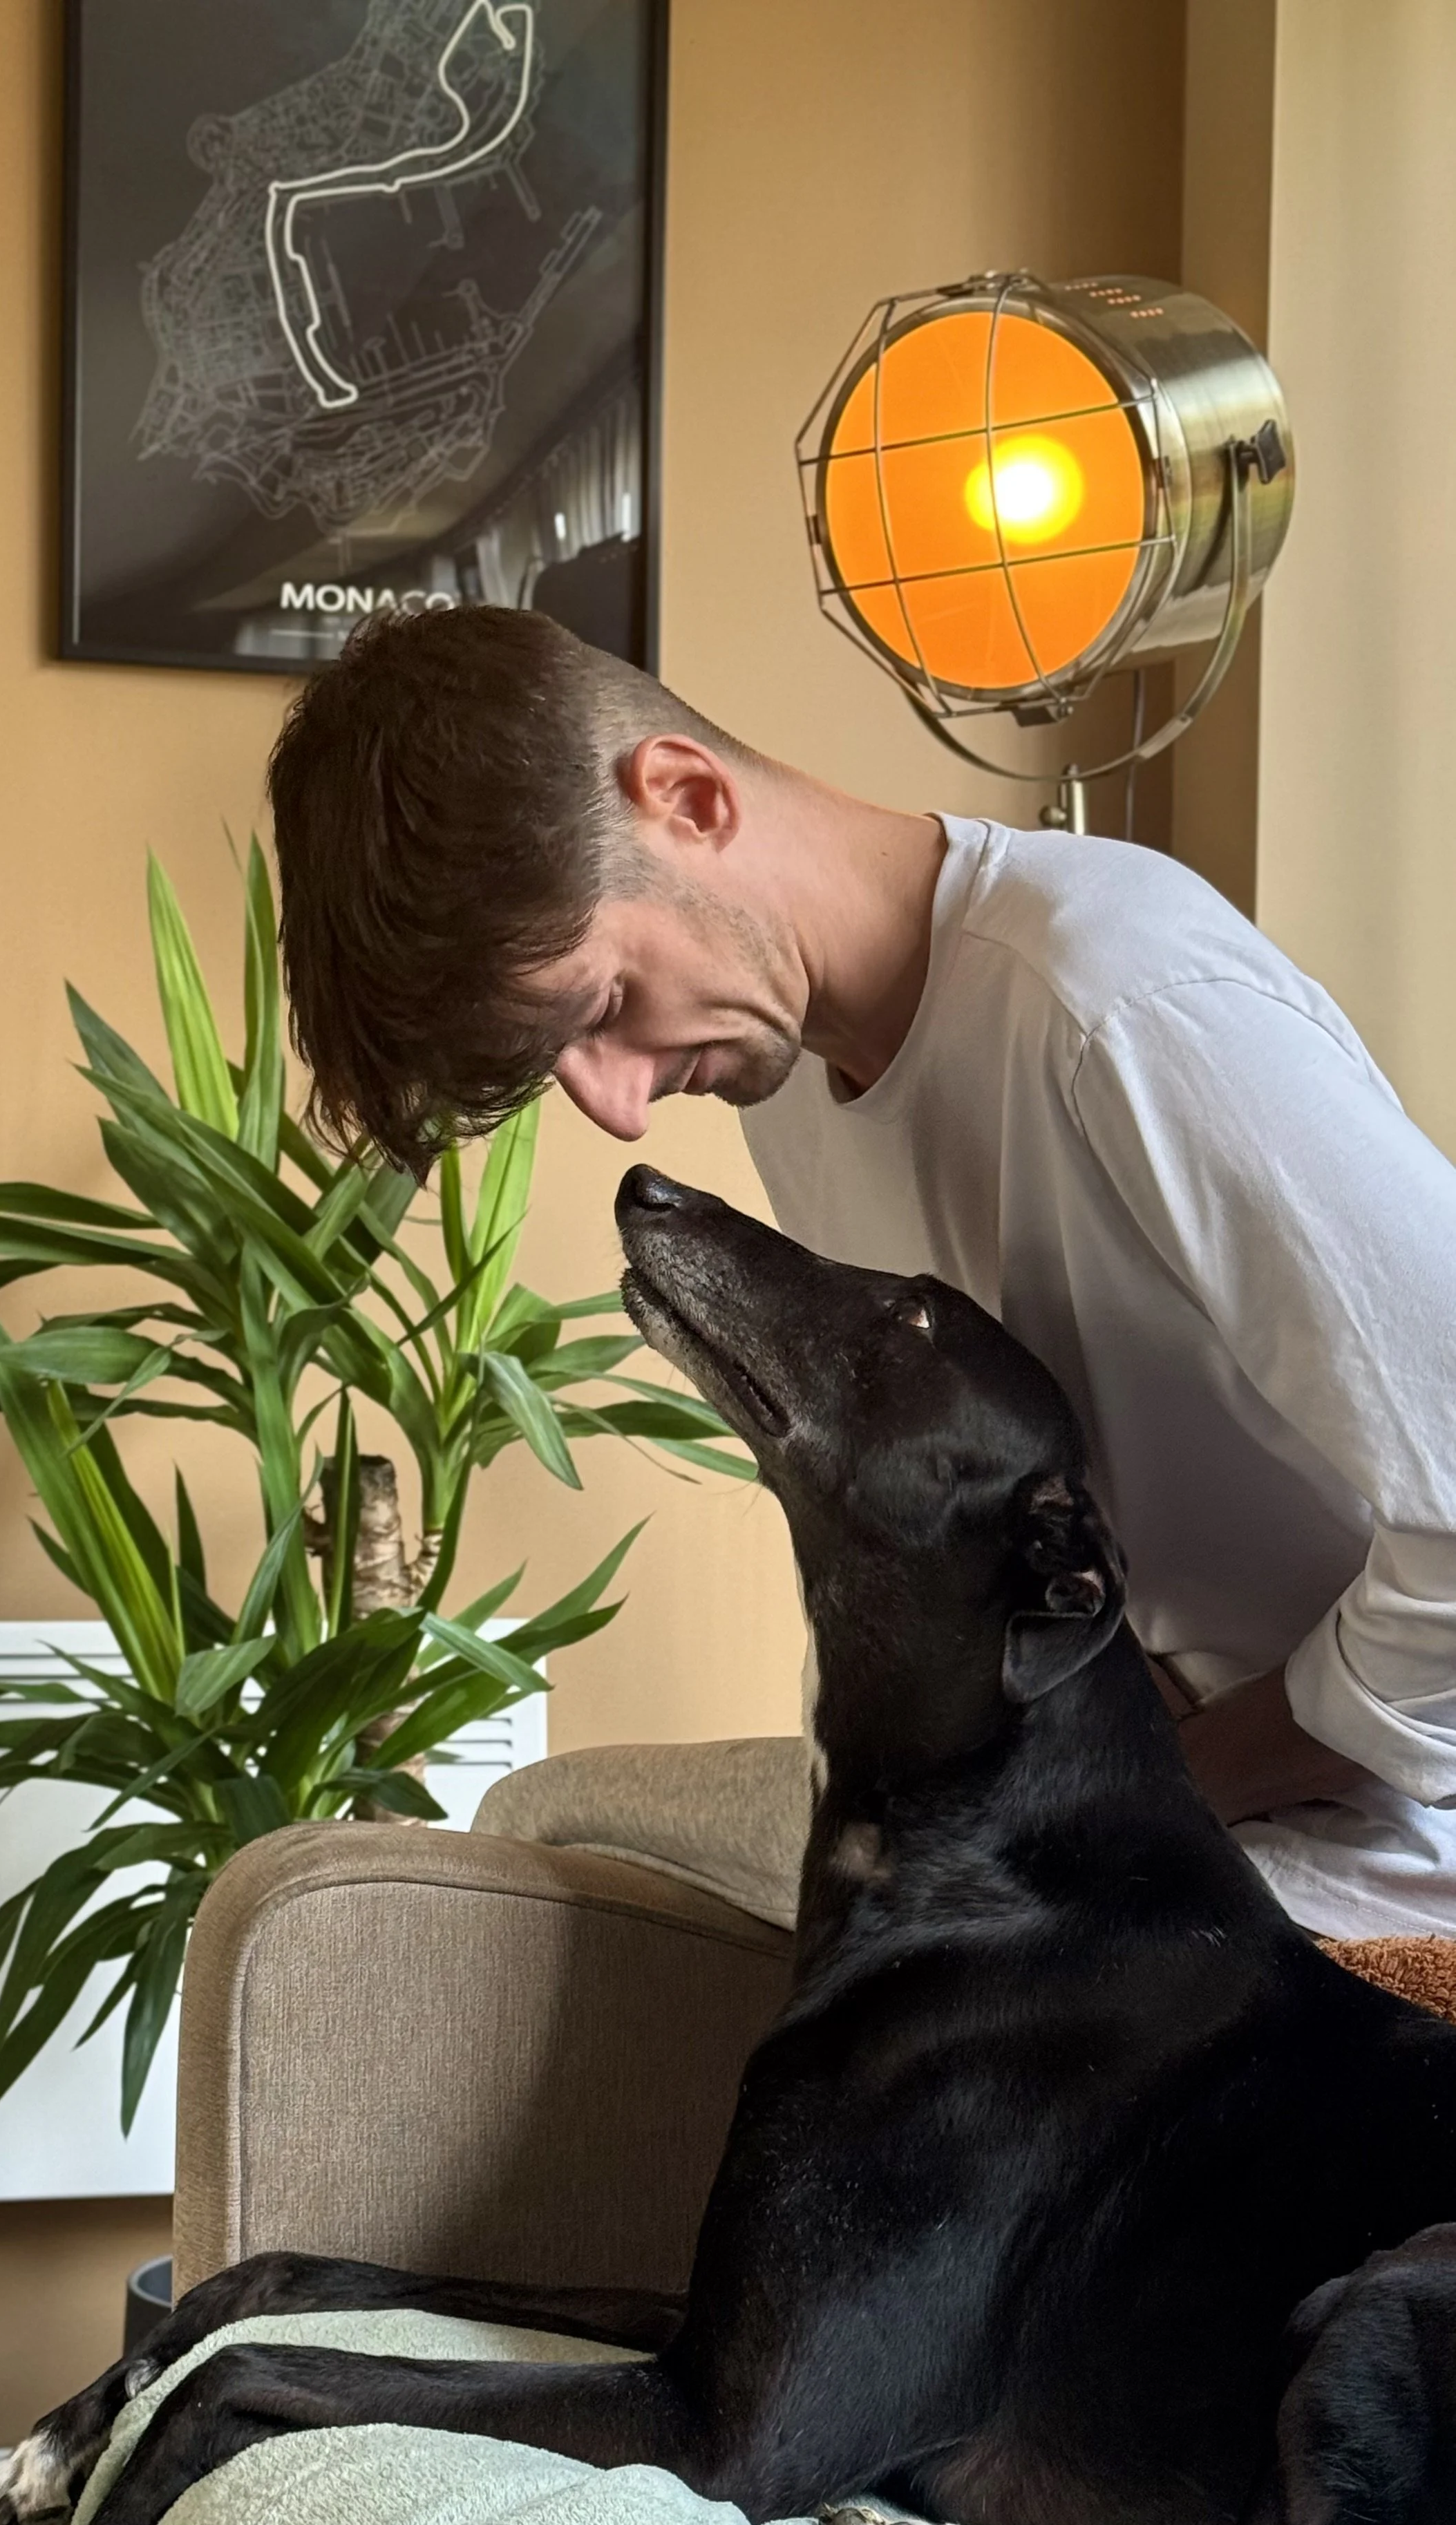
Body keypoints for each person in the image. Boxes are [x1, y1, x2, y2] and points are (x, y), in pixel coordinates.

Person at [268, 603, 1456, 1940]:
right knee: (537, 1833)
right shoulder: (789, 1075)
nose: (614, 1108)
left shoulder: (1116, 1005)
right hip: (1110, 1788)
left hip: (1366, 1851)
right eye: (560, 1063)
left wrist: (1179, 1779)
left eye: (598, 1009)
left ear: (686, 797)